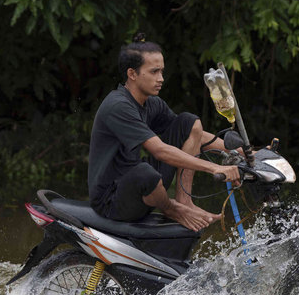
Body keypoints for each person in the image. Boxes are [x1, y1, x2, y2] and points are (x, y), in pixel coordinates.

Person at [88, 33, 241, 232]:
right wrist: (214, 168)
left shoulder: (151, 103)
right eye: (154, 72)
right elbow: (160, 151)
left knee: (190, 122)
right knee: (145, 173)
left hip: (135, 183)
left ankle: (184, 201)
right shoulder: (118, 106)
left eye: (162, 71)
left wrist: (240, 153)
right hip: (112, 200)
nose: (161, 79)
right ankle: (171, 209)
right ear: (132, 74)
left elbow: (194, 134)